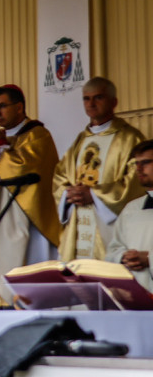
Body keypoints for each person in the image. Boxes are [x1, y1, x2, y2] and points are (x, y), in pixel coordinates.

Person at [0, 85, 61, 309]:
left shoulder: (38, 135)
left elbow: (24, 168)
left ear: (19, 107)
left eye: (2, 106)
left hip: (26, 224)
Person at [53, 77, 146, 261]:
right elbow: (60, 175)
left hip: (109, 231)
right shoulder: (80, 141)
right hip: (78, 227)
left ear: (114, 102)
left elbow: (136, 183)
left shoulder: (130, 139)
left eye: (98, 98)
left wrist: (94, 195)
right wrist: (69, 194)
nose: (91, 104)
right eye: (86, 99)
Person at [105, 140, 153, 292]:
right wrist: (124, 258)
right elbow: (113, 250)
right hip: (137, 299)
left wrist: (149, 259)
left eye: (145, 162)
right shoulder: (131, 209)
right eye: (135, 163)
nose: (138, 169)